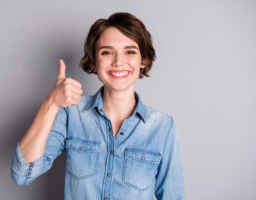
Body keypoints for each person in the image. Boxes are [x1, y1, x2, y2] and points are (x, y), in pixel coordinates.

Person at [11, 12, 185, 200]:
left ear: (143, 60)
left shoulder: (163, 127)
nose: (118, 62)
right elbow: (22, 174)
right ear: (93, 60)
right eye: (107, 52)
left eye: (130, 51)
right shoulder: (71, 114)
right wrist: (51, 103)